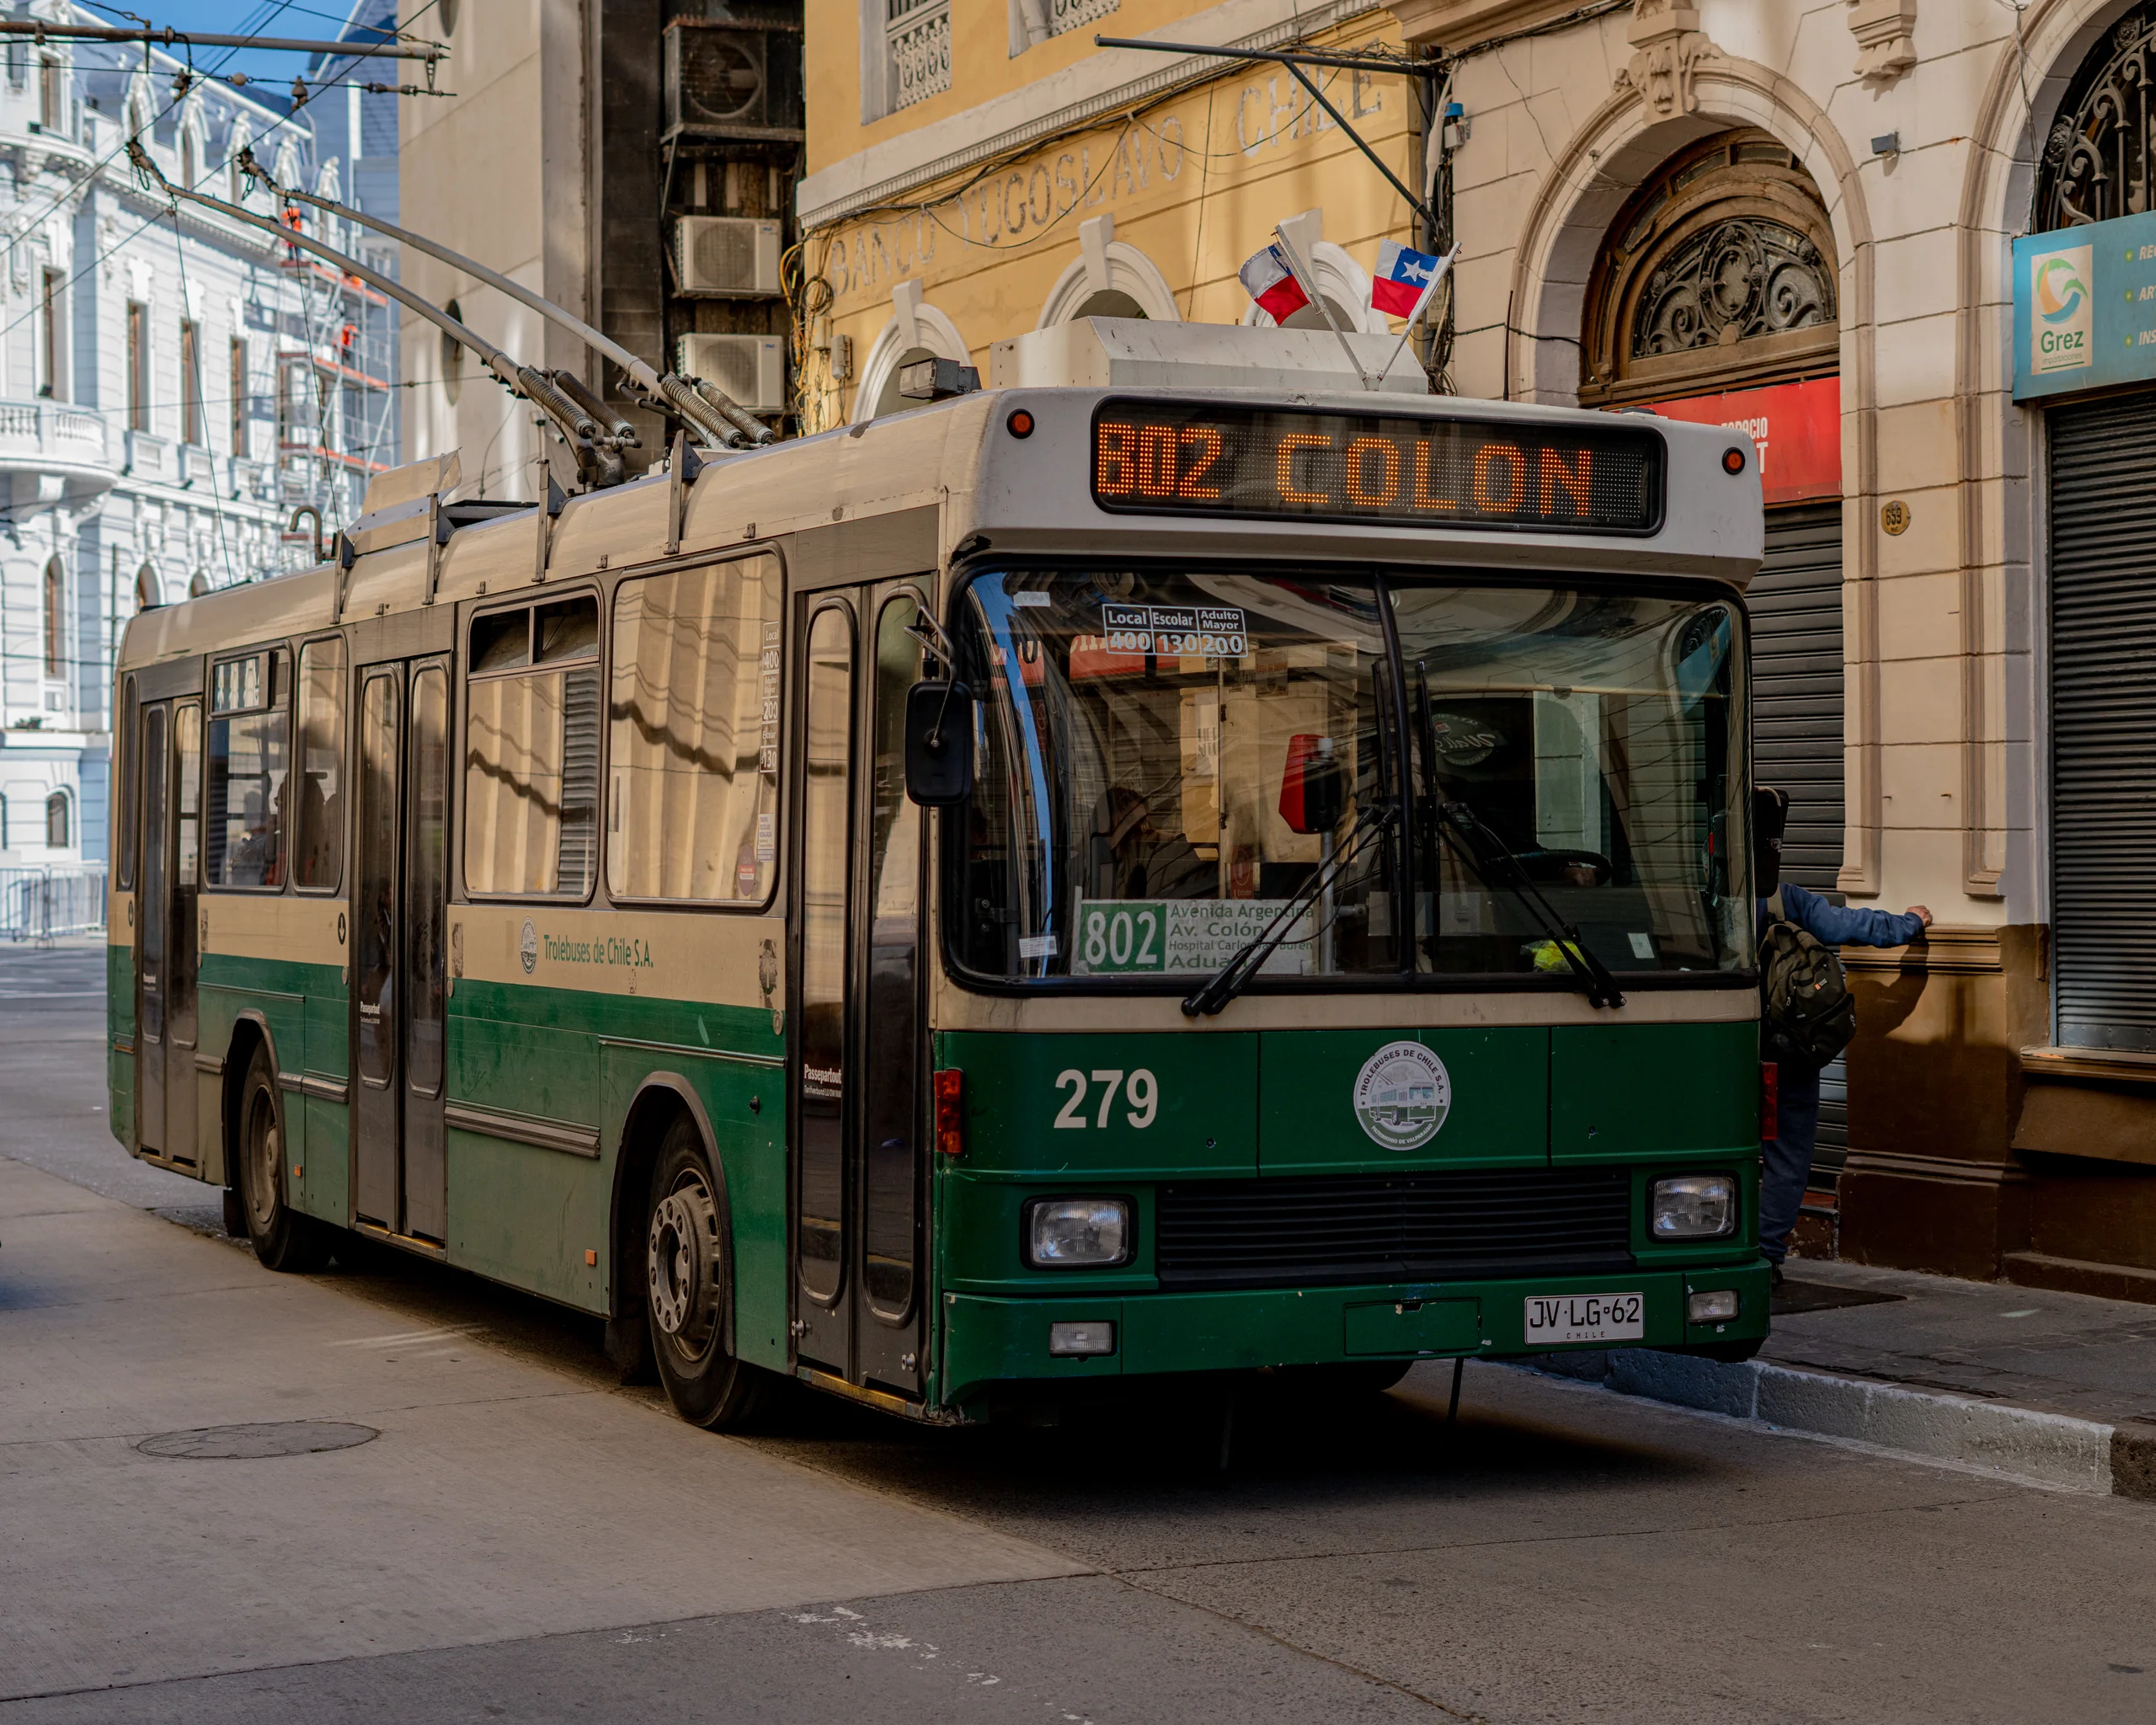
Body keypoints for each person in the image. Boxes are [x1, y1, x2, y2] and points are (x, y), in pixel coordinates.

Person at [1758, 882, 1931, 1276]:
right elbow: (1841, 924)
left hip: (1716, 1047)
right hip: (1785, 1051)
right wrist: (1909, 924)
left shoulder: (1686, 901)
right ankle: (1765, 1255)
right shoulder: (1777, 897)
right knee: (1787, 1155)